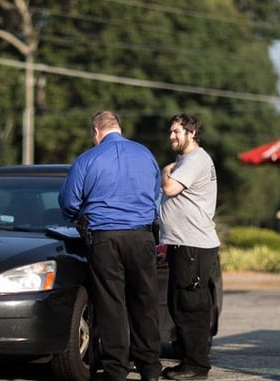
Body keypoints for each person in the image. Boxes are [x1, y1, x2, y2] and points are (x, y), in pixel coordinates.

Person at [58, 111, 162, 381]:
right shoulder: (145, 154)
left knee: (111, 303)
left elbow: (69, 202)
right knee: (144, 301)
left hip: (104, 238)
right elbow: (156, 195)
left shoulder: (87, 160)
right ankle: (150, 367)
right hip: (142, 237)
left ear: (96, 132)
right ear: (118, 127)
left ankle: (116, 370)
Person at [160, 113, 220, 380]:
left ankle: (197, 366)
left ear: (192, 132)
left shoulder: (196, 159)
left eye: (176, 131)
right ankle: (188, 360)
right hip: (182, 243)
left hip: (193, 245)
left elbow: (170, 188)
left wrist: (164, 170)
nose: (172, 136)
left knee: (191, 307)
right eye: (171, 131)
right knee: (178, 304)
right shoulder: (187, 159)